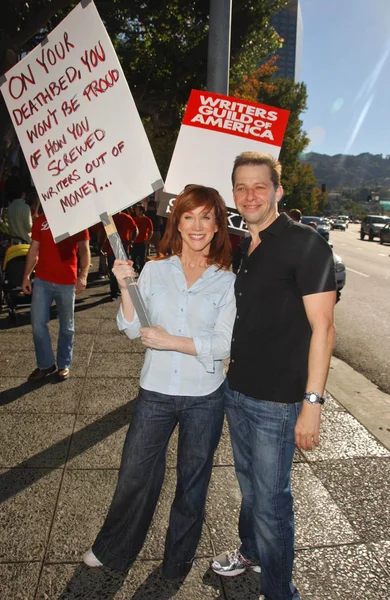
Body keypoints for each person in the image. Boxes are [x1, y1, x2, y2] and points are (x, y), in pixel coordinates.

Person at [83, 185, 236, 579]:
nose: (197, 226)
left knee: (193, 483)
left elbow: (222, 346)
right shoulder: (155, 268)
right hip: (156, 392)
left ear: (218, 225)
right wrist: (124, 287)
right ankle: (113, 547)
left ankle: (177, 560)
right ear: (177, 222)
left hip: (204, 396)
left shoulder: (225, 280)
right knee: (135, 473)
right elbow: (133, 329)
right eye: (189, 216)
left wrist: (173, 342)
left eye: (206, 217)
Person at [211, 152, 336, 600]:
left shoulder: (306, 243)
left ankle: (281, 592)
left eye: (259, 186)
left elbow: (324, 326)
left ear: (278, 191)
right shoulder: (248, 244)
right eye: (241, 187)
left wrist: (312, 406)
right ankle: (251, 551)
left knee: (272, 503)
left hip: (278, 403)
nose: (250, 195)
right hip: (239, 391)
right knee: (251, 491)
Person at [22, 212, 90, 382]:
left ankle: (63, 364)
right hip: (42, 280)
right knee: (37, 323)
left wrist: (83, 275)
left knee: (67, 327)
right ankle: (46, 364)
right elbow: (34, 249)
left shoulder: (77, 219)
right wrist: (26, 276)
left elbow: (84, 250)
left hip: (67, 282)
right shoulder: (41, 221)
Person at [91, 211, 138, 299]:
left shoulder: (108, 219)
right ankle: (122, 291)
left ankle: (114, 292)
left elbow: (103, 234)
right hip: (120, 246)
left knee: (114, 271)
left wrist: (100, 247)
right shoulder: (125, 217)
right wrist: (131, 241)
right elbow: (135, 229)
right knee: (124, 271)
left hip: (113, 247)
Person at [131, 204, 153, 273]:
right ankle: (135, 268)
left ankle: (142, 272)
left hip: (142, 241)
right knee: (133, 257)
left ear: (141, 211)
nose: (136, 211)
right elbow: (131, 230)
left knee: (142, 258)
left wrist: (147, 240)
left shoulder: (147, 220)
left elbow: (151, 231)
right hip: (135, 241)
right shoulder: (134, 219)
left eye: (137, 210)